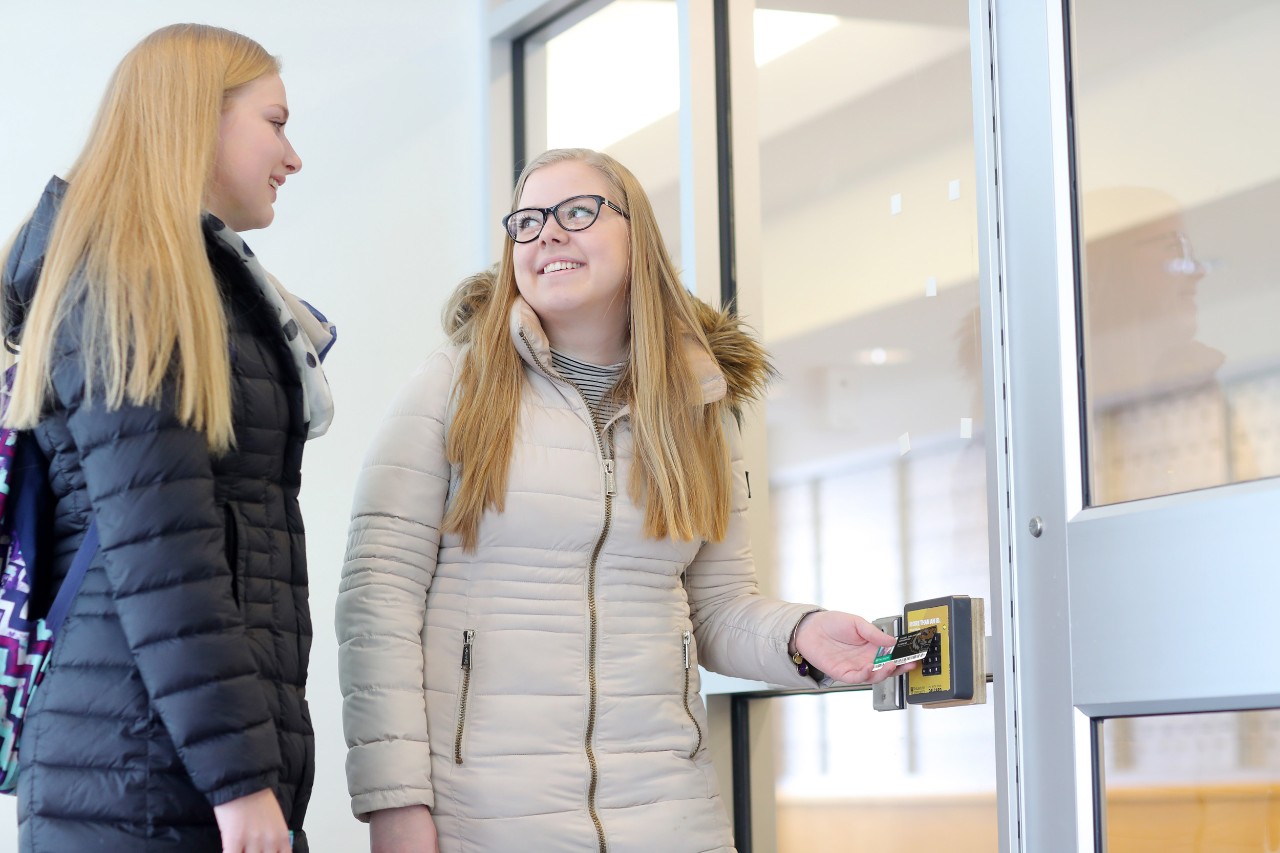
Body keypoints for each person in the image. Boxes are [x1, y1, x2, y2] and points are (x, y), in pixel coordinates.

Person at [336, 147, 909, 853]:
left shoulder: (695, 408)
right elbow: (377, 597)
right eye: (528, 221)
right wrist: (394, 804)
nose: (547, 233)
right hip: (485, 818)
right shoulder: (452, 386)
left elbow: (720, 607)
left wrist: (799, 635)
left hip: (671, 813)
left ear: (638, 236)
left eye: (577, 212)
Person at [1, 23, 333, 853]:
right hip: (144, 768)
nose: (293, 157)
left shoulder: (181, 276)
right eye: (277, 121)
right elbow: (162, 550)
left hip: (150, 747)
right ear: (196, 115)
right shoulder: (134, 277)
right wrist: (241, 782)